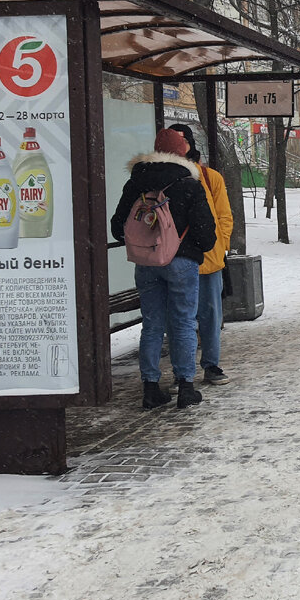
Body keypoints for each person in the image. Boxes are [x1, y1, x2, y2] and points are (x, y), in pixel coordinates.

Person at [110, 129, 217, 410]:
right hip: (181, 262)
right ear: (182, 152)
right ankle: (185, 386)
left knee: (152, 323)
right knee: (182, 322)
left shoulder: (136, 182)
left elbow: (118, 225)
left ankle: (151, 387)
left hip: (146, 263)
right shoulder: (189, 183)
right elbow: (207, 234)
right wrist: (188, 245)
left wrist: (147, 240)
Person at [168, 124, 234, 386]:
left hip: (208, 259)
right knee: (180, 319)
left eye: (181, 140)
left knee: (210, 315)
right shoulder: (164, 176)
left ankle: (211, 364)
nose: (177, 145)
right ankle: (182, 372)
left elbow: (224, 216)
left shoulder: (209, 177)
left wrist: (220, 247)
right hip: (176, 259)